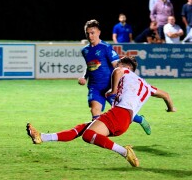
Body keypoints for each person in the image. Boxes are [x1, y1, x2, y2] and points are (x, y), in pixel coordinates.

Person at [26, 56, 175, 167]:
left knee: (88, 135)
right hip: (123, 120)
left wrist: (113, 89)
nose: (116, 66)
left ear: (127, 67)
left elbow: (117, 72)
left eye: (119, 64)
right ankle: (41, 137)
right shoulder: (147, 85)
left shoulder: (124, 71)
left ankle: (125, 152)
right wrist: (171, 108)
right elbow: (166, 95)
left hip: (120, 114)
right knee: (81, 129)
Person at [79, 20, 151, 133]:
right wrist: (84, 77)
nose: (90, 36)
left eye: (92, 32)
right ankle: (99, 136)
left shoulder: (106, 47)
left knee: (123, 111)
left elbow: (118, 66)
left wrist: (126, 81)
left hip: (111, 86)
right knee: (94, 111)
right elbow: (90, 66)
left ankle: (140, 119)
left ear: (99, 32)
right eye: (87, 33)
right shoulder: (85, 50)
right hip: (95, 87)